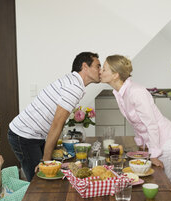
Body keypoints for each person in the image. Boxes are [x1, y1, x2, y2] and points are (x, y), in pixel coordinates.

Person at [8, 52, 101, 181]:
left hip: (34, 135)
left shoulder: (73, 82)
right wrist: (47, 162)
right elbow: (57, 123)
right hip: (24, 135)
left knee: (47, 176)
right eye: (98, 66)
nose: (100, 71)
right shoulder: (74, 87)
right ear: (85, 66)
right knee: (40, 180)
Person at [100, 54, 171, 186]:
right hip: (155, 143)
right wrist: (141, 144)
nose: (100, 71)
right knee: (159, 184)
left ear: (115, 75)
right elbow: (136, 122)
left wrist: (154, 155)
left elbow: (151, 124)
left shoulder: (135, 92)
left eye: (104, 69)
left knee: (168, 185)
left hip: (167, 142)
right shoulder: (120, 93)